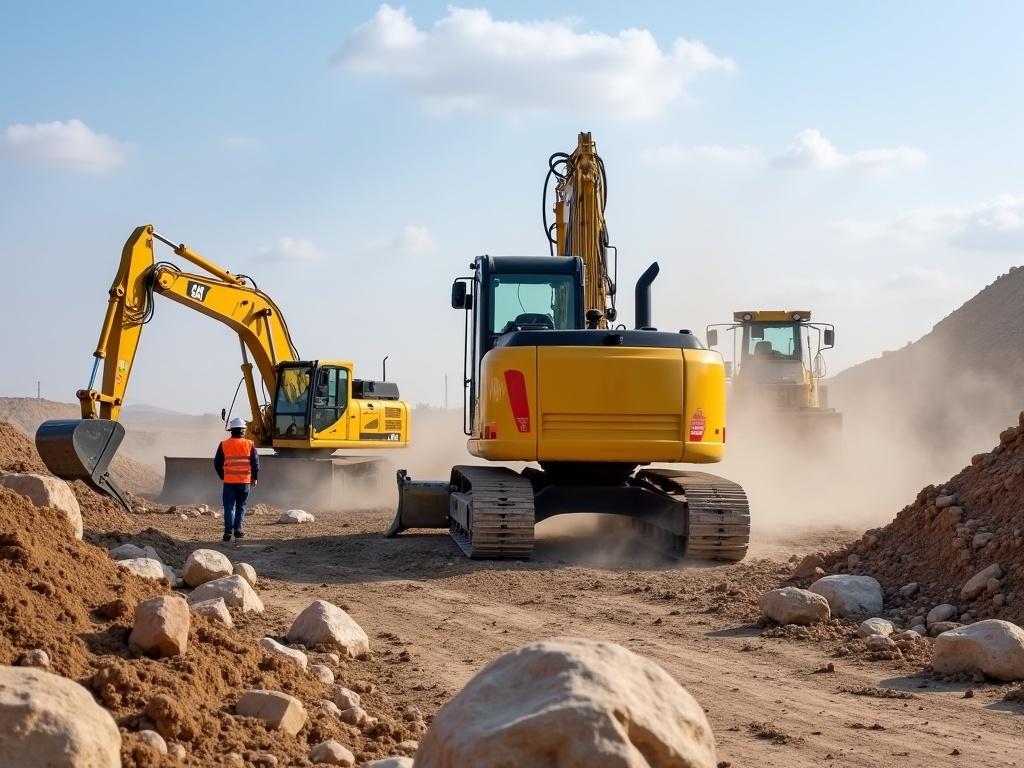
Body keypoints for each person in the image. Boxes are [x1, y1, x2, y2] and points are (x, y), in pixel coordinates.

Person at [214, 417, 260, 542]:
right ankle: (238, 531)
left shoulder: (224, 444)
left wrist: (223, 476)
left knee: (229, 507)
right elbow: (255, 463)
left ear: (231, 430)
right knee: (241, 506)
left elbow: (217, 463)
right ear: (243, 431)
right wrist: (255, 478)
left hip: (229, 482)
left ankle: (228, 533)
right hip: (245, 482)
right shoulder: (250, 444)